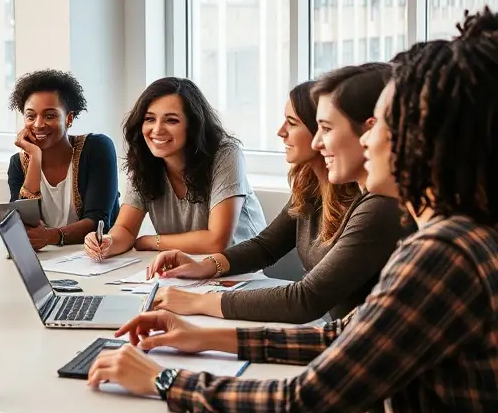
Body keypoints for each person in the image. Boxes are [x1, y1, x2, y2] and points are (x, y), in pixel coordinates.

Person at [86, 8, 498, 413]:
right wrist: (201, 337)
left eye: (379, 124)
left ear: (424, 138)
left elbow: (302, 407)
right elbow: (342, 337)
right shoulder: (465, 237)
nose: (368, 139)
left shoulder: (442, 254)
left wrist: (163, 381)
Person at [148, 68, 408, 324]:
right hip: (334, 330)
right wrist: (206, 266)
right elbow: (266, 246)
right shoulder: (311, 185)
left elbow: (305, 299)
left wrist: (197, 302)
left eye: (294, 123)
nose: (281, 131)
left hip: (346, 336)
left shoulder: (377, 204)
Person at [86, 77, 264, 260]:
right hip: (188, 265)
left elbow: (216, 241)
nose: (157, 129)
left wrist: (151, 241)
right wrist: (107, 242)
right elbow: (125, 229)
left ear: (193, 125)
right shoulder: (144, 161)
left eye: (171, 120)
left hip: (241, 266)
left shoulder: (226, 154)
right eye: (149, 119)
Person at [6, 70, 121, 250]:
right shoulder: (18, 163)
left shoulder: (97, 148)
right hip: (47, 259)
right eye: (30, 116)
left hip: (98, 256)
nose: (38, 124)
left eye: (49, 115)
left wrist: (50, 236)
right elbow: (24, 225)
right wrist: (35, 158)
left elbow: (98, 220)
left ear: (69, 118)